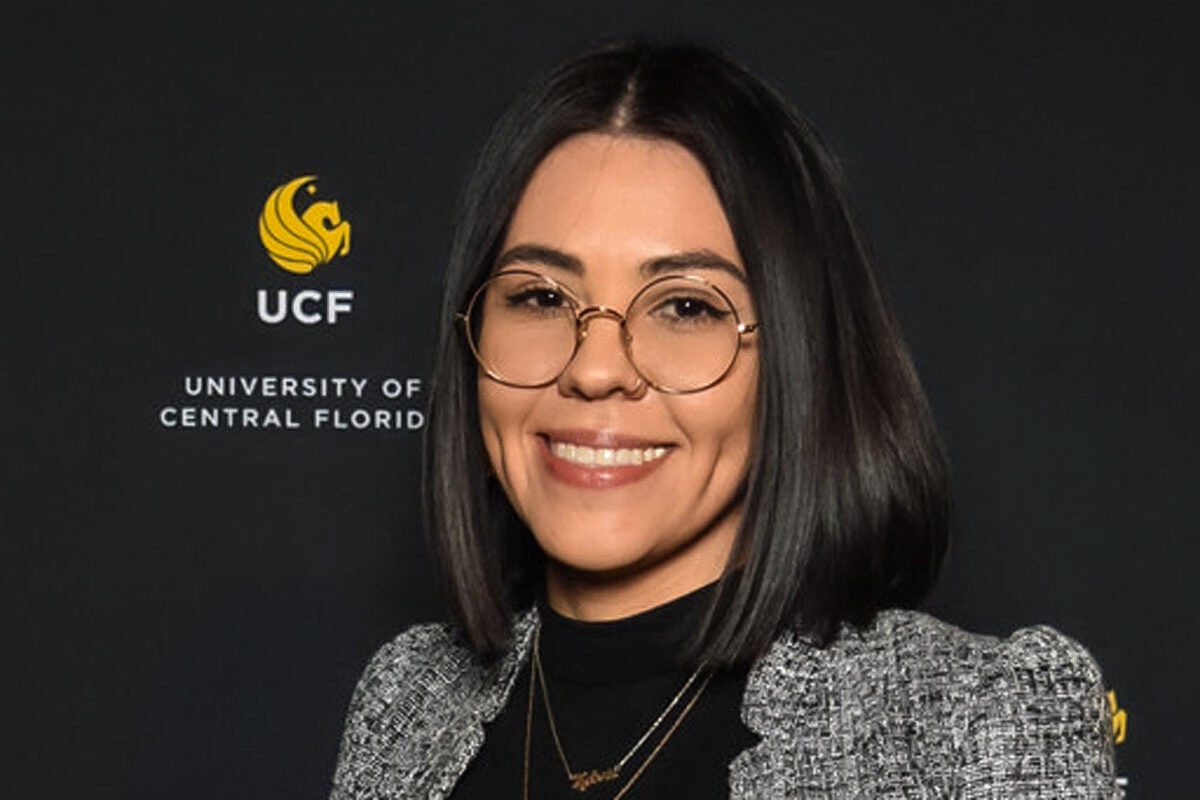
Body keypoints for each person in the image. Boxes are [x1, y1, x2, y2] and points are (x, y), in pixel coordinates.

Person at [330, 43, 1118, 798]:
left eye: (685, 307)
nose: (594, 368)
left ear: (798, 360)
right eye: (539, 297)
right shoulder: (411, 701)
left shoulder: (970, 721)